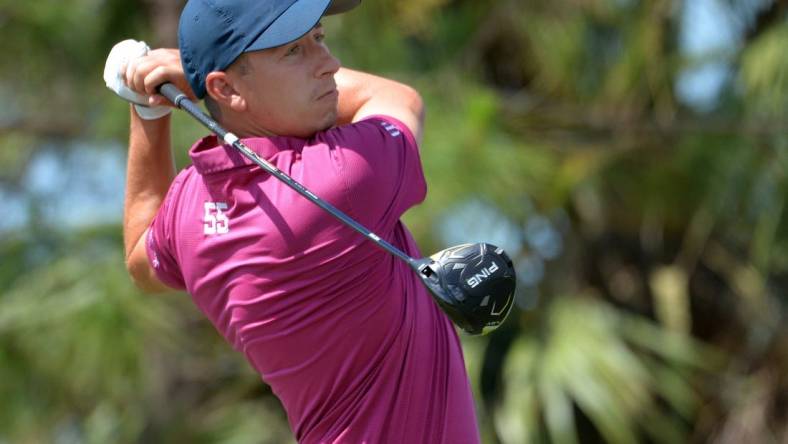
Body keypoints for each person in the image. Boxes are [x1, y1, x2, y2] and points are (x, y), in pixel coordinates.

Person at [117, 0, 480, 442]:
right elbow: (397, 98)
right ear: (226, 90)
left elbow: (141, 259)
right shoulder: (342, 178)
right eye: (293, 51)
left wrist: (148, 111)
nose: (330, 65)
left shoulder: (189, 210)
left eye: (319, 38)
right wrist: (191, 80)